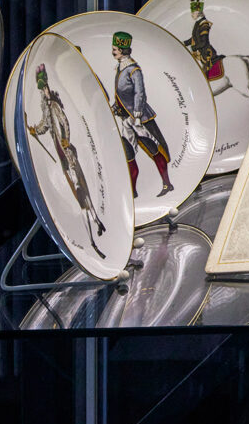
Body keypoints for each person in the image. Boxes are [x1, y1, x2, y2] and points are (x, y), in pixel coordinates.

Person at [26, 63, 108, 258]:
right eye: (41, 89)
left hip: (67, 150)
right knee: (76, 187)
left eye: (44, 88)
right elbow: (46, 125)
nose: (43, 92)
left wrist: (66, 139)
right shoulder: (45, 105)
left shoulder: (54, 103)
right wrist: (34, 130)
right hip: (60, 151)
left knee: (81, 189)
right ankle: (95, 224)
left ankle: (94, 227)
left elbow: (64, 122)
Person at [111, 31, 174, 197]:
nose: (113, 51)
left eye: (115, 49)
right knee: (129, 153)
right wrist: (116, 108)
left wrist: (137, 115)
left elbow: (140, 94)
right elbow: (121, 96)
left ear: (123, 51)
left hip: (139, 119)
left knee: (154, 150)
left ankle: (167, 184)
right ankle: (132, 192)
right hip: (126, 119)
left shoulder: (133, 70)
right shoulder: (119, 67)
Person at [183, 0, 224, 82]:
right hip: (200, 52)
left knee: (202, 77)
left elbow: (203, 42)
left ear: (198, 13)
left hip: (206, 53)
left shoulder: (204, 24)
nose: (192, 15)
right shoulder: (198, 23)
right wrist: (183, 43)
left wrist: (193, 47)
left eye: (193, 13)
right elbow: (194, 38)